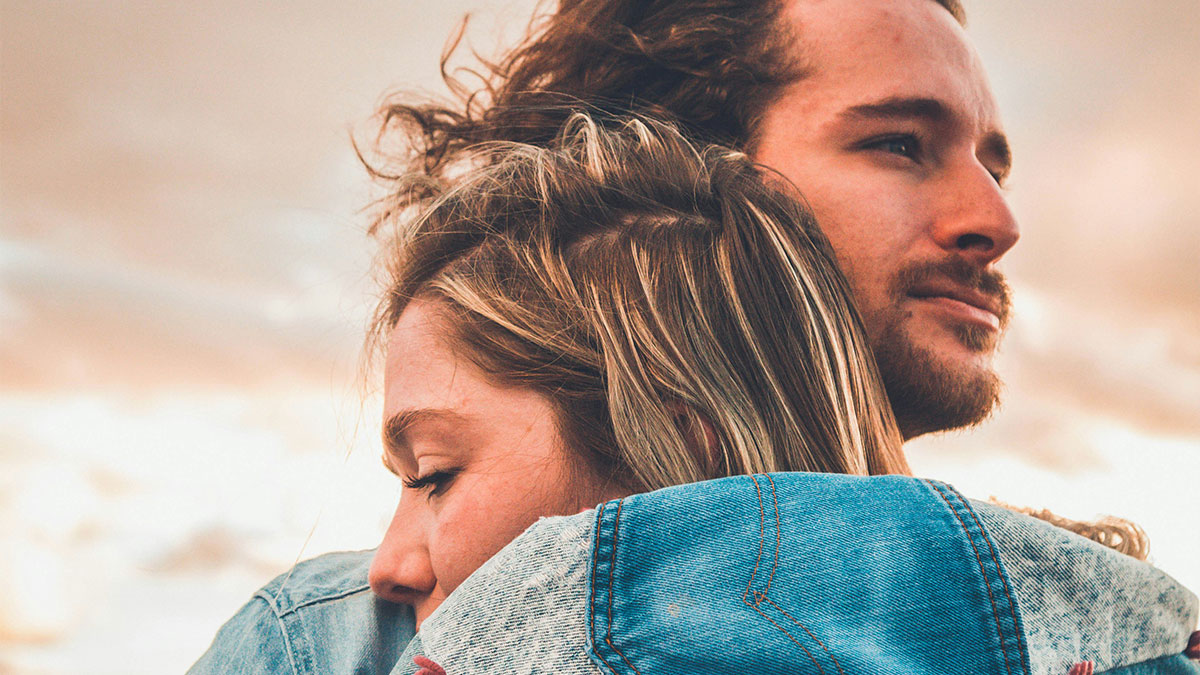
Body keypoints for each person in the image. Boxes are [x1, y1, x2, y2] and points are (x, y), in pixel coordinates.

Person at [191, 116, 1197, 674]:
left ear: (681, 440)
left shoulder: (320, 649)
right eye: (902, 142)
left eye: (435, 476)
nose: (389, 568)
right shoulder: (1121, 637)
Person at [383, 0, 1019, 440]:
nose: (997, 220)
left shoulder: (1071, 617)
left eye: (994, 171)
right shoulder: (356, 627)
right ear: (674, 177)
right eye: (900, 144)